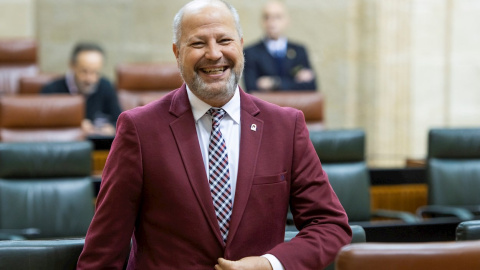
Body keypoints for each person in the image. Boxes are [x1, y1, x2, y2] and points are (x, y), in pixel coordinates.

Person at [77, 0, 350, 269]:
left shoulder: (286, 126)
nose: (214, 53)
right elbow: (104, 252)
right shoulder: (139, 130)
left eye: (224, 40)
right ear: (176, 52)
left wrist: (269, 265)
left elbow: (330, 226)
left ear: (241, 46)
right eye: (197, 43)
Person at [41, 42, 122, 136]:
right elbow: (43, 124)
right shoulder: (51, 90)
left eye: (95, 72)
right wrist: (74, 125)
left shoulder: (106, 86)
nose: (89, 79)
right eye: (84, 71)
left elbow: (119, 121)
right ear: (72, 65)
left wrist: (111, 128)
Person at [243, 1, 317, 92]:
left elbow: (311, 86)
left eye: (277, 17)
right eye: (267, 17)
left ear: (287, 21)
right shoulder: (251, 52)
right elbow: (251, 88)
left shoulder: (299, 51)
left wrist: (275, 83)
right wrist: (293, 82)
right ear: (262, 21)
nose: (271, 21)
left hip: (295, 105)